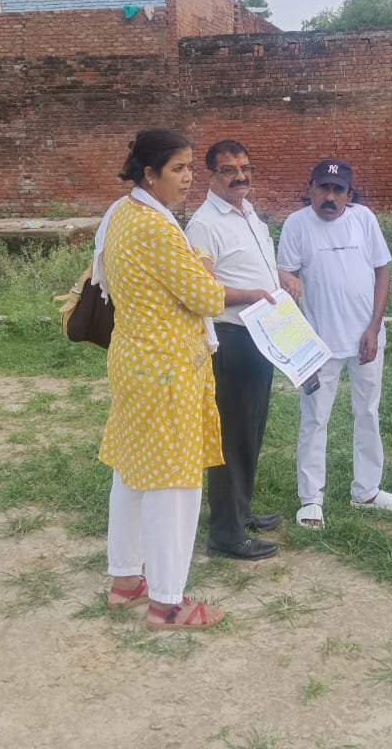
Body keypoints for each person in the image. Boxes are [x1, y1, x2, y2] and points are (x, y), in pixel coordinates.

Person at [95, 128, 227, 630]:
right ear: (149, 174)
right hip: (167, 369)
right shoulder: (155, 226)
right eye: (178, 169)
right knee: (174, 483)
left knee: (131, 471)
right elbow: (207, 297)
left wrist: (194, 264)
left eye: (191, 167)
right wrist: (210, 267)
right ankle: (167, 604)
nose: (189, 178)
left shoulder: (120, 213)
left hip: (133, 358)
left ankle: (126, 581)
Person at [277, 159, 392, 530]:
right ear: (310, 188)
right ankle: (311, 499)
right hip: (319, 346)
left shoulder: (364, 219)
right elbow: (286, 281)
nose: (330, 197)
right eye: (323, 188)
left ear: (350, 195)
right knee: (315, 419)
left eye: (339, 190)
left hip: (367, 339)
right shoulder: (296, 224)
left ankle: (366, 491)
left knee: (368, 411)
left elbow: (382, 272)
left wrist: (374, 327)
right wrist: (301, 346)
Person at [186, 139, 295, 560]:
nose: (240, 177)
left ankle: (241, 510)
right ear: (211, 175)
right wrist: (250, 295)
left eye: (245, 168)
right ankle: (226, 535)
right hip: (231, 338)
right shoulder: (204, 225)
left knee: (251, 428)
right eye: (229, 170)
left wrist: (281, 278)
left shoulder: (248, 212)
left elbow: (254, 266)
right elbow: (203, 290)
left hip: (261, 333)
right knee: (230, 436)